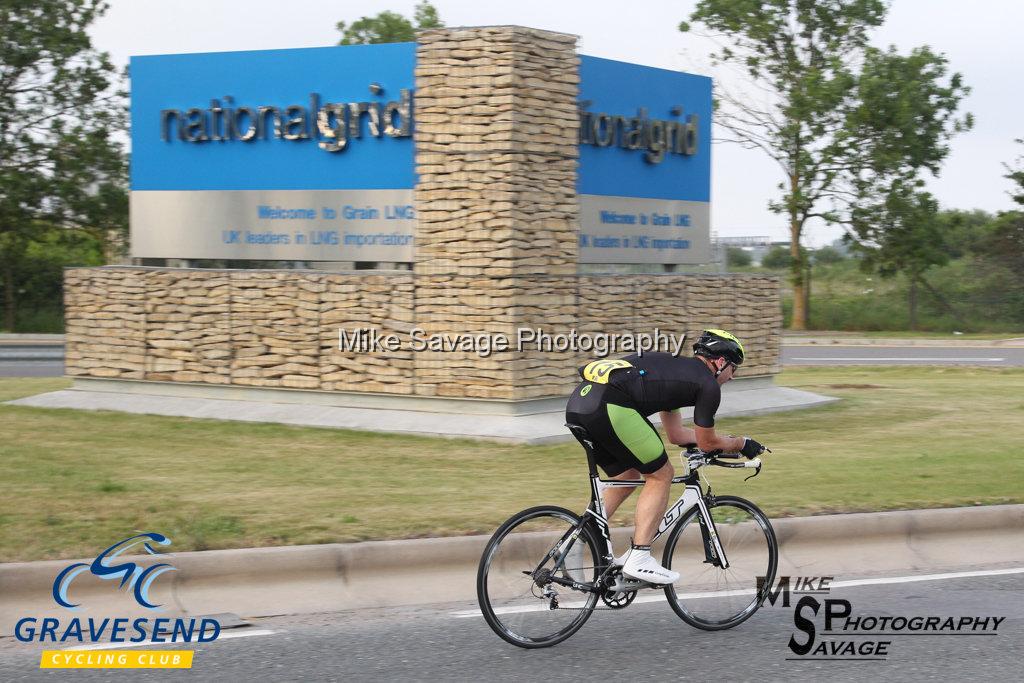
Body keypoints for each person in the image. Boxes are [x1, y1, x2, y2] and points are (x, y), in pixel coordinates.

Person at [564, 329, 767, 584]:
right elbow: (706, 443)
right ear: (719, 362)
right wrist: (741, 443)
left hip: (579, 405)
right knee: (661, 475)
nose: (733, 377)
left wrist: (719, 441)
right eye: (733, 369)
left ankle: (576, 542)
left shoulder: (674, 370)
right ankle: (639, 556)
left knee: (626, 476)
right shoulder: (707, 385)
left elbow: (677, 434)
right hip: (611, 406)